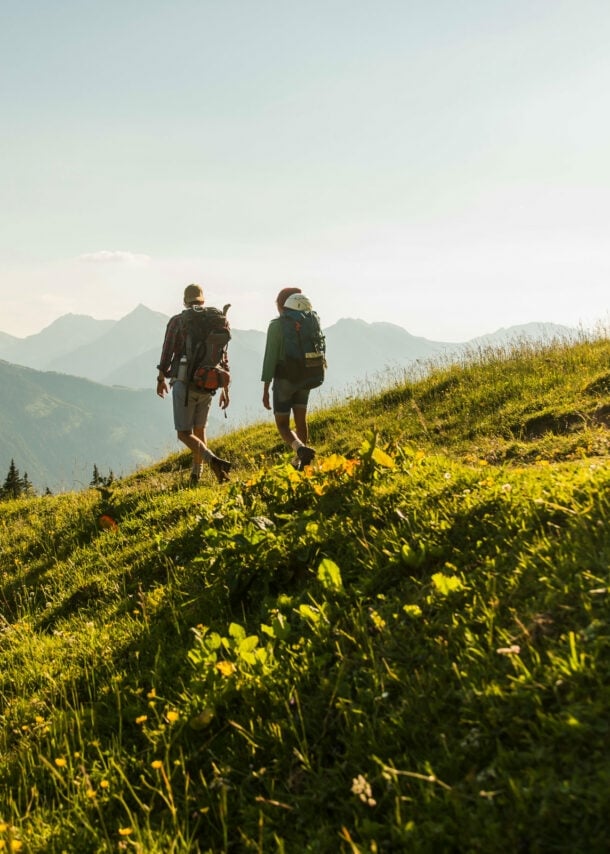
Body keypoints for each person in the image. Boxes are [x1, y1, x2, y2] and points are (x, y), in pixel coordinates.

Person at [156, 283, 232, 484]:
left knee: (184, 433)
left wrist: (160, 378)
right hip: (209, 383)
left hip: (184, 383)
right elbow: (223, 357)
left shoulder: (178, 321)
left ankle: (213, 461)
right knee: (200, 430)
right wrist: (225, 389)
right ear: (202, 300)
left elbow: (167, 352)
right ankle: (197, 476)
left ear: (184, 301)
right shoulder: (217, 322)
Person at [261, 286, 317, 470]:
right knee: (301, 421)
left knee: (283, 425)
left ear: (281, 304)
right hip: (307, 376)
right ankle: (302, 463)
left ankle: (300, 450)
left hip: (284, 379)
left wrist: (266, 388)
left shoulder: (276, 326)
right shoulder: (312, 321)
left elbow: (270, 357)